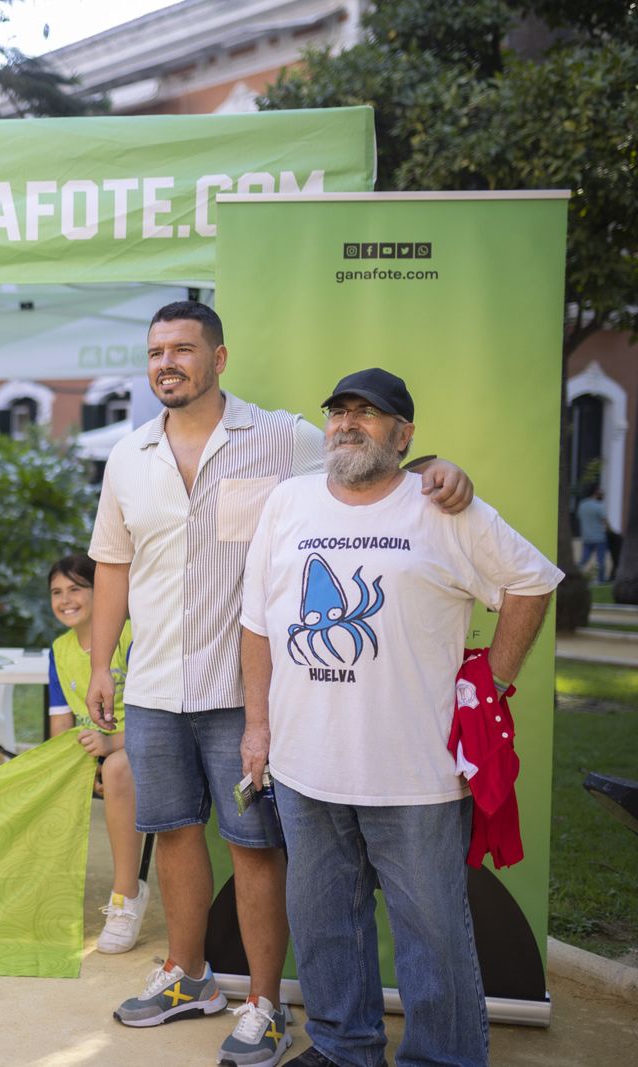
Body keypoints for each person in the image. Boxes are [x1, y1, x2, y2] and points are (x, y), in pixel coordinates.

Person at [84, 302, 473, 1067]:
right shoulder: (128, 454)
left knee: (256, 845)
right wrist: (103, 663)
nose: (167, 362)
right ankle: (189, 975)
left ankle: (266, 1005)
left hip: (245, 690)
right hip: (155, 683)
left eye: (183, 349)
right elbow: (112, 563)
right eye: (157, 351)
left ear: (219, 358)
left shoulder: (281, 437)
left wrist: (438, 469)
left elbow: (367, 460)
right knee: (174, 831)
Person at [239, 368, 559, 1067]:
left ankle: (443, 1057)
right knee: (324, 923)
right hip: (304, 767)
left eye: (368, 413)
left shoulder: (441, 506)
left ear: (404, 434)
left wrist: (493, 681)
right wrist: (257, 728)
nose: (347, 423)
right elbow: (257, 624)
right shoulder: (289, 501)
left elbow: (532, 580)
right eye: (339, 412)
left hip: (416, 774)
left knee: (433, 934)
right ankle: (342, 1047)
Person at [46, 553, 147, 953]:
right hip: (91, 750)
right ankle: (44, 890)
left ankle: (126, 894)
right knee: (40, 778)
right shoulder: (58, 650)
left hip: (138, 742)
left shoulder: (132, 636)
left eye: (75, 589)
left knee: (119, 768)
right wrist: (78, 766)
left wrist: (109, 746)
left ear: (100, 591)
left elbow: (153, 716)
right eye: (56, 592)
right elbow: (60, 727)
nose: (65, 599)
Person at [576, 489, 609, 582]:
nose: (602, 496)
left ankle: (575, 576)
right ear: (596, 494)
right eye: (601, 494)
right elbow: (604, 521)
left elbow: (579, 517)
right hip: (599, 538)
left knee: (583, 559)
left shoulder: (582, 505)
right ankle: (601, 579)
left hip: (586, 537)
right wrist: (610, 531)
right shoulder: (598, 506)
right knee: (601, 560)